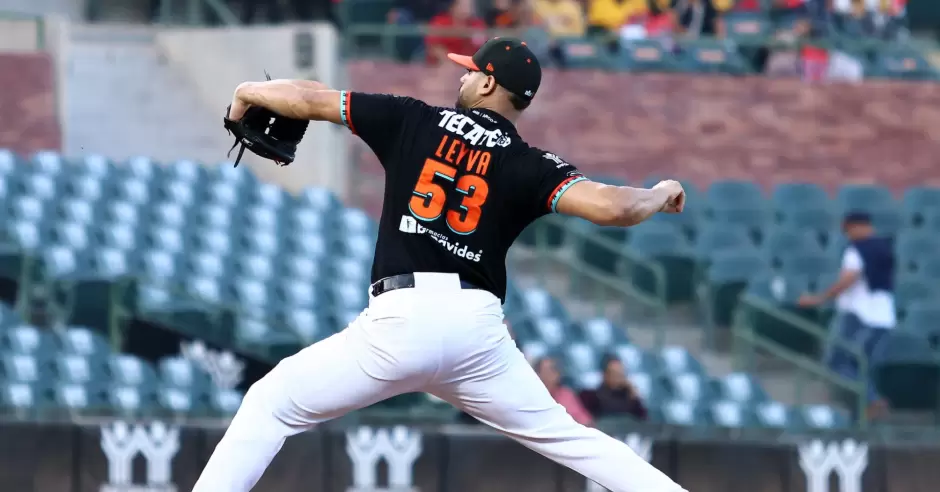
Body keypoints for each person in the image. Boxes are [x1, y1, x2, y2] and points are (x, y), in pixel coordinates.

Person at [194, 37, 687, 492]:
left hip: (402, 320)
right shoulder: (530, 163)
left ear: (489, 83)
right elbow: (615, 208)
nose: (463, 77)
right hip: (477, 333)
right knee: (571, 438)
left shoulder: (413, 119)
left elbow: (309, 99)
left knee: (271, 403)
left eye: (470, 71)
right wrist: (661, 192)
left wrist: (245, 92)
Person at [798, 211, 896, 420]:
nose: (847, 235)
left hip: (859, 316)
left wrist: (820, 298)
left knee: (837, 362)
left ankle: (871, 400)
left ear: (857, 226)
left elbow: (848, 279)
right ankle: (865, 408)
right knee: (862, 367)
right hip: (884, 318)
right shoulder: (885, 248)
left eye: (848, 230)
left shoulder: (857, 249)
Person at [583, 355, 648, 420]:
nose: (618, 378)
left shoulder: (630, 396)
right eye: (614, 374)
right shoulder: (591, 397)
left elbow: (643, 420)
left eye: (621, 374)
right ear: (605, 375)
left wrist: (634, 397)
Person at [535, 356, 595, 425]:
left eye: (555, 369)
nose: (554, 374)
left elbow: (586, 421)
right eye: (549, 370)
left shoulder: (566, 394)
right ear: (537, 374)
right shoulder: (532, 397)